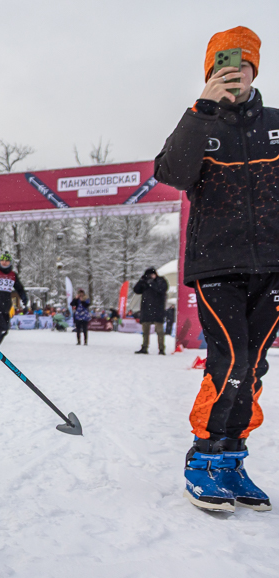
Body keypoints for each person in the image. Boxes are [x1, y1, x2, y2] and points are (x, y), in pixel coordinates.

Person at [154, 25, 276, 512]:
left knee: (255, 366)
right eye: (225, 65)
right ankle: (204, 458)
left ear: (255, 70)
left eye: (244, 64)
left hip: (273, 268)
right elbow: (171, 173)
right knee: (231, 363)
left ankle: (233, 460)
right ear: (210, 72)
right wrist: (201, 109)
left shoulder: (276, 124)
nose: (236, 73)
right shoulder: (202, 125)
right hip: (216, 265)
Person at [133, 267, 168, 355]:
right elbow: (136, 290)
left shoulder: (161, 280)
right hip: (146, 309)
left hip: (158, 309)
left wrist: (152, 283)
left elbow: (162, 289)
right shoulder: (144, 283)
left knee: (159, 331)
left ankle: (161, 349)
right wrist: (141, 281)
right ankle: (144, 347)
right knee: (145, 330)